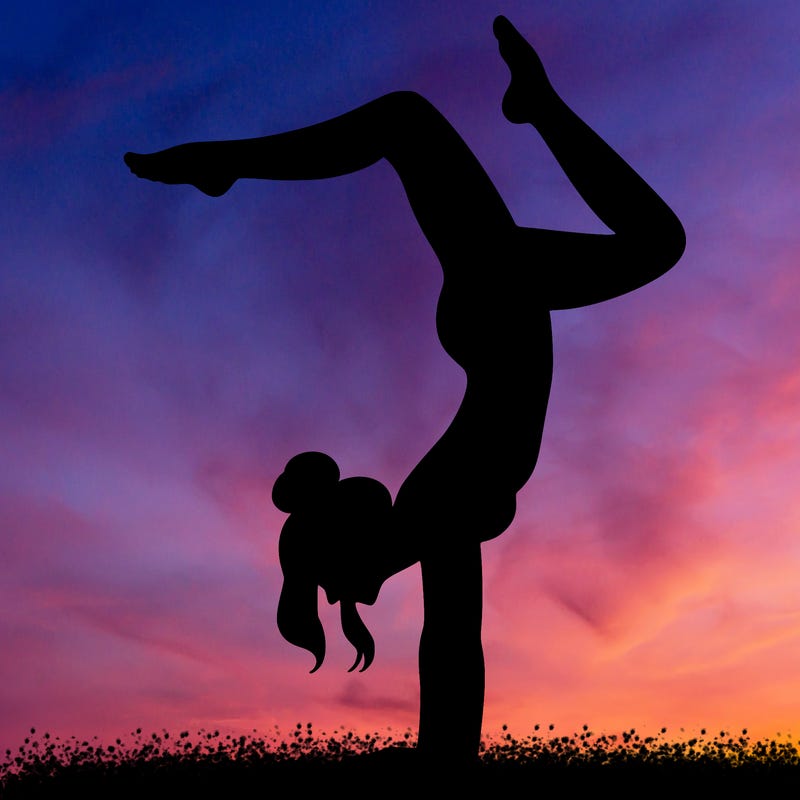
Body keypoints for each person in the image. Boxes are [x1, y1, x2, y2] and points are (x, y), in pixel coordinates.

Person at [125, 16, 685, 763]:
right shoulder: (435, 509)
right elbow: (452, 648)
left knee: (407, 123)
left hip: (496, 294)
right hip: (500, 291)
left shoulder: (431, 502)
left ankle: (226, 160)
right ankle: (536, 107)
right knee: (417, 128)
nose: (366, 494)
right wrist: (443, 755)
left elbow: (451, 645)